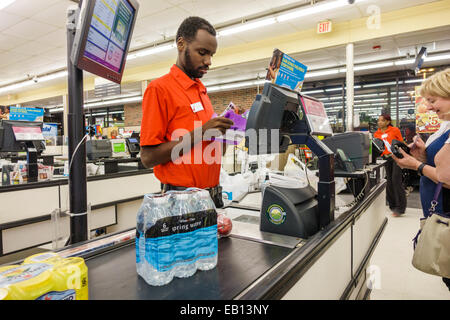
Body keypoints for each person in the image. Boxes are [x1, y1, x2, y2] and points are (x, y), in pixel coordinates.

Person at [139, 16, 234, 207]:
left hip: (212, 197)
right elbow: (148, 158)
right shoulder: (160, 89)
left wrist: (228, 131)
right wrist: (202, 132)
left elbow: (213, 151)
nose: (208, 61)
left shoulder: (201, 91)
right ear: (181, 44)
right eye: (202, 52)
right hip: (181, 201)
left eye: (211, 55)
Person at [391, 68, 450, 291]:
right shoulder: (446, 124)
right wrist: (424, 156)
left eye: (433, 100)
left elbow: (446, 176)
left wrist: (416, 165)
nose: (429, 107)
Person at [373, 114, 407, 217]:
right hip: (386, 158)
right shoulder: (376, 133)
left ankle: (400, 208)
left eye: (382, 121)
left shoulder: (394, 130)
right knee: (389, 182)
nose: (379, 122)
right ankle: (393, 205)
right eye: (378, 121)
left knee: (396, 180)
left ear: (388, 122)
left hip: (396, 157)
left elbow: (401, 143)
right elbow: (378, 147)